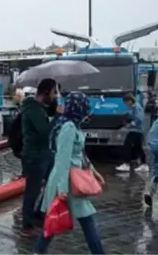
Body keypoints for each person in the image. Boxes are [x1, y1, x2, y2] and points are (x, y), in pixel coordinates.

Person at [33, 91, 106, 255]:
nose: (87, 109)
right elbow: (63, 159)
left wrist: (93, 171)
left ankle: (37, 252)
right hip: (67, 182)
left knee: (53, 221)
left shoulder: (72, 125)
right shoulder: (69, 127)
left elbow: (80, 154)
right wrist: (62, 189)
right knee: (87, 223)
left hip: (69, 180)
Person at [20, 78, 57, 237]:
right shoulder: (33, 110)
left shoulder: (40, 108)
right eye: (54, 92)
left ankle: (39, 212)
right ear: (45, 93)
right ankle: (26, 225)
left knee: (53, 182)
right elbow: (44, 131)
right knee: (32, 191)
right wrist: (57, 117)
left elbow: (48, 113)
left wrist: (56, 107)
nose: (55, 96)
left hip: (45, 154)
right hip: (35, 155)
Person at [116, 93, 148, 172]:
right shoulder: (133, 107)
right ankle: (144, 164)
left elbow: (139, 120)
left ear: (130, 100)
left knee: (127, 145)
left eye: (126, 102)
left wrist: (129, 125)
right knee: (138, 147)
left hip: (136, 130)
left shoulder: (137, 107)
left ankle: (126, 164)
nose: (126, 104)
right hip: (136, 130)